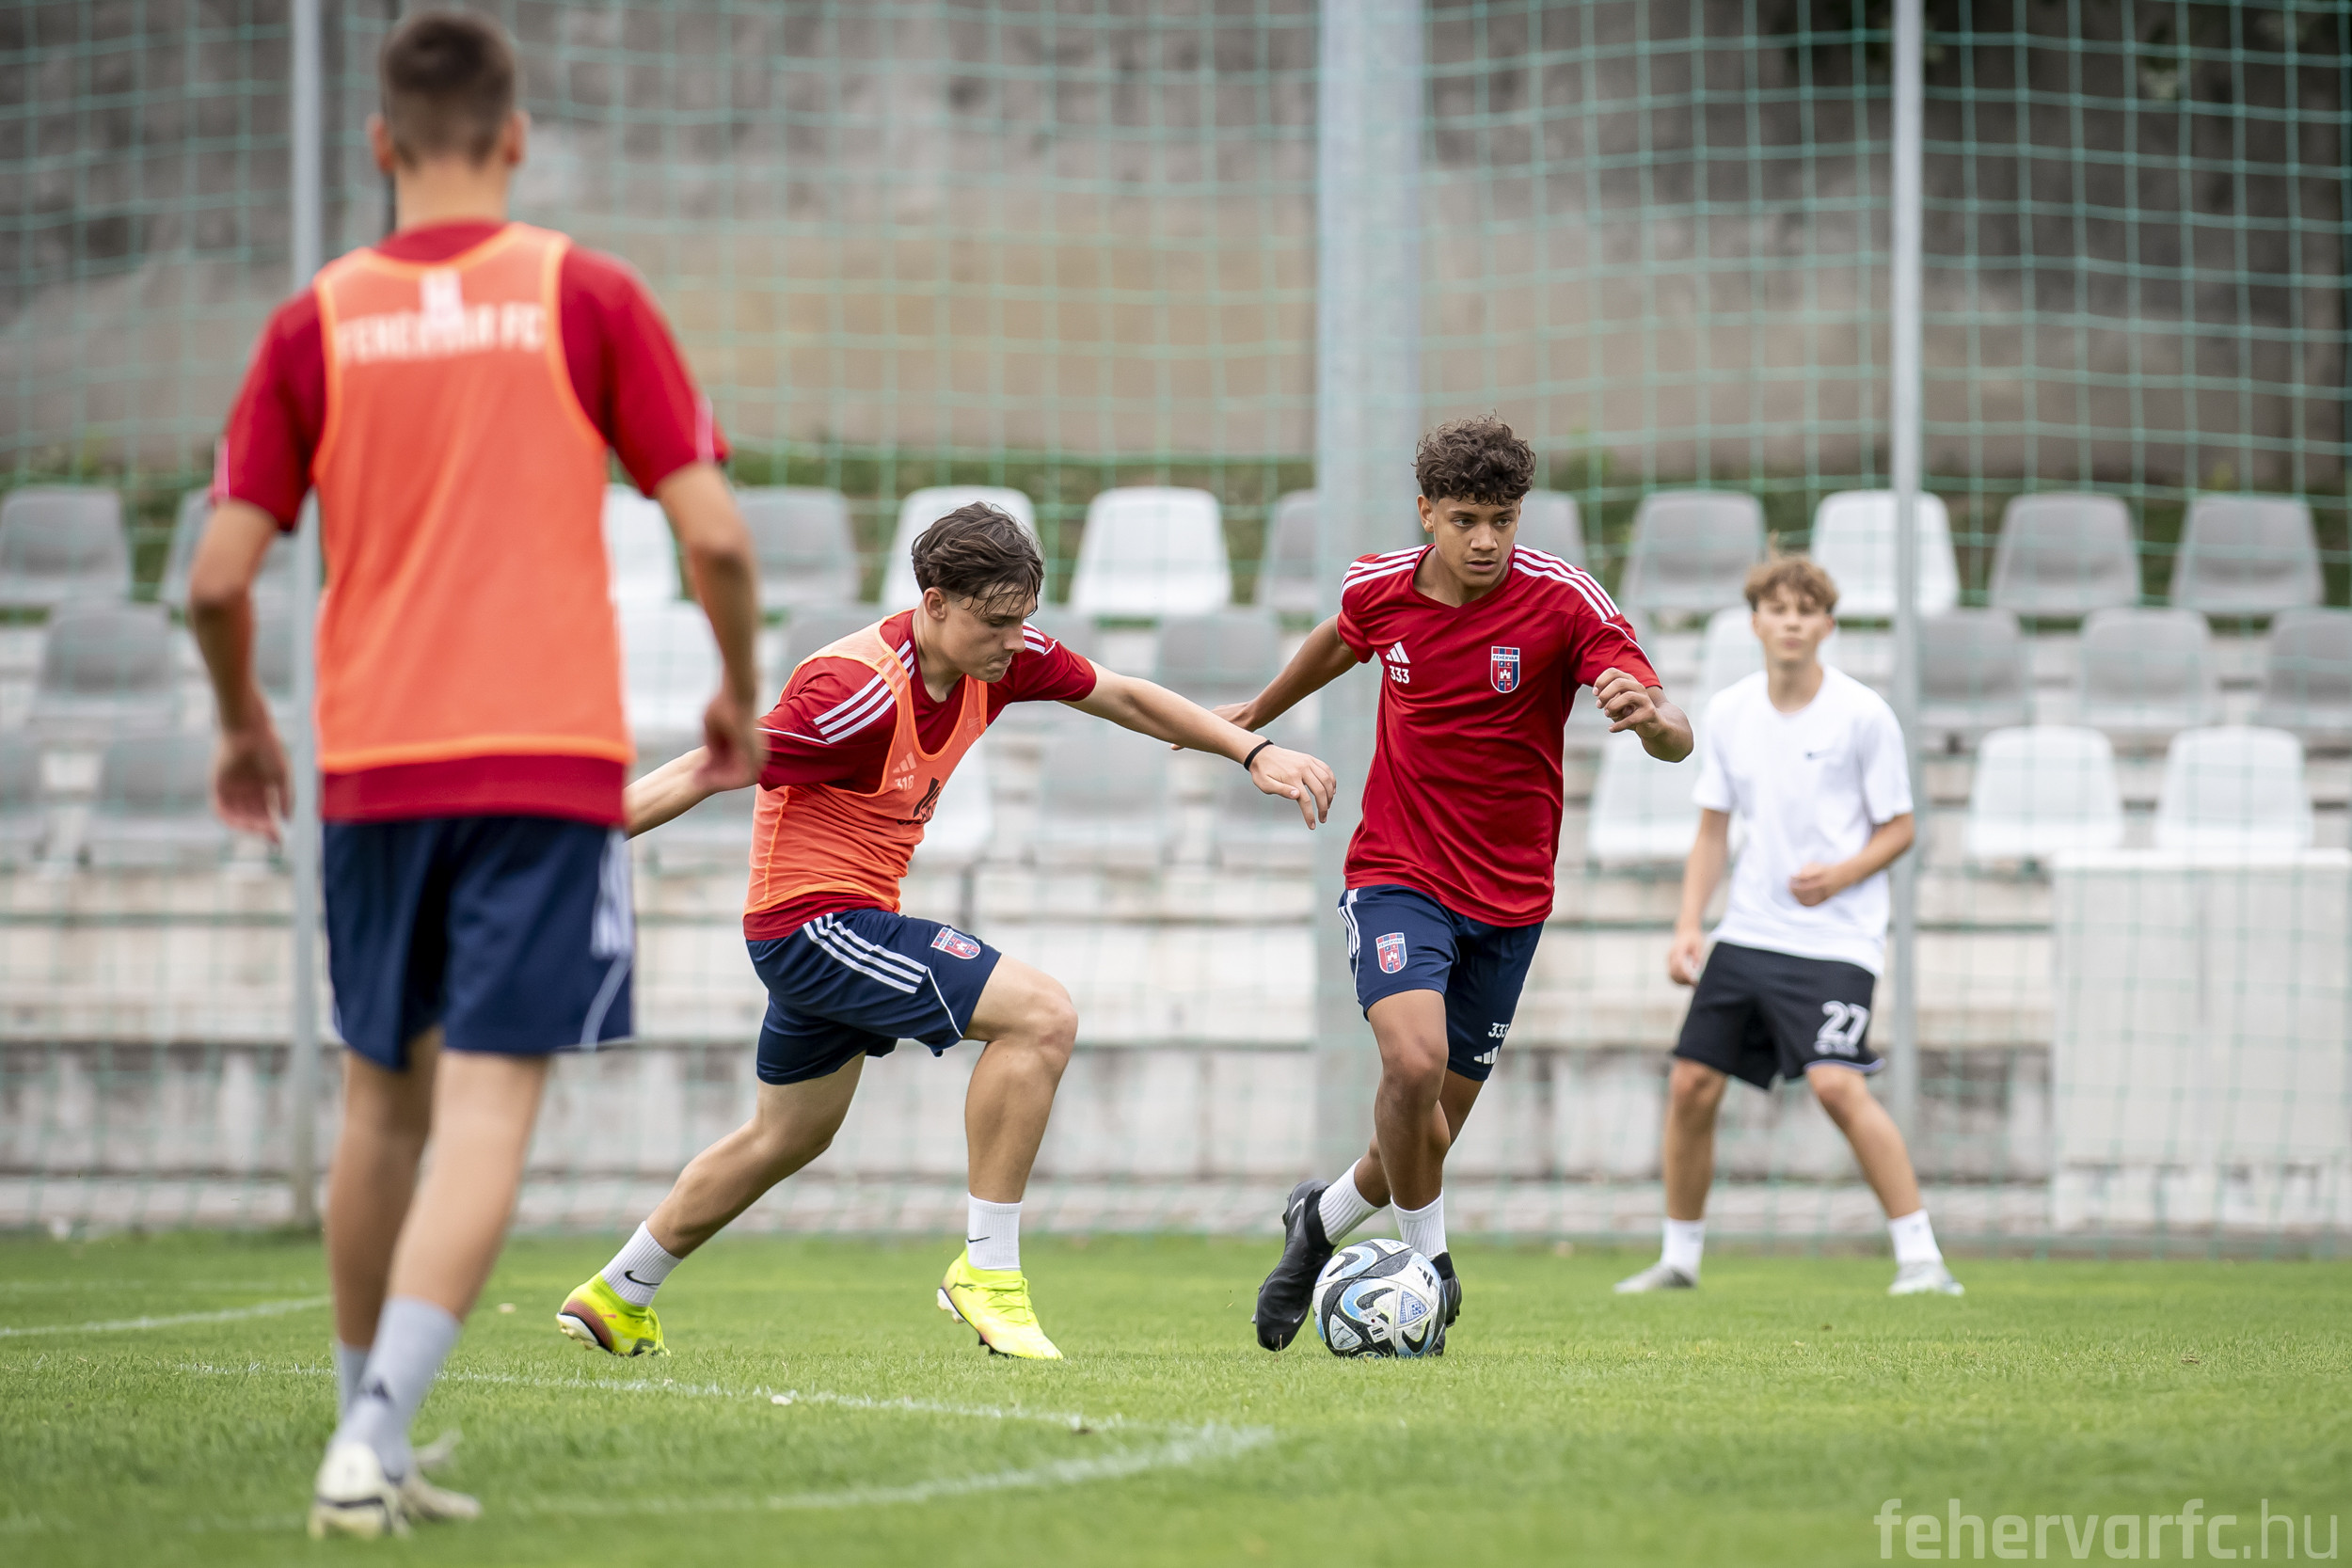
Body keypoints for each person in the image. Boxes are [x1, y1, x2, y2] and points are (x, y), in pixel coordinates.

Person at [189, 10, 764, 1537]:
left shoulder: (315, 321)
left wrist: (243, 722)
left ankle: (362, 1431)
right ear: (514, 138)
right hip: (539, 764)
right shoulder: (584, 293)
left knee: (381, 1103)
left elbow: (216, 576)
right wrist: (733, 689)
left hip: (375, 760)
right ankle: (371, 1439)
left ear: (380, 143)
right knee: (492, 1101)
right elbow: (714, 533)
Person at [555, 503, 1338, 1364]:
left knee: (787, 1135)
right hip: (813, 924)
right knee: (1042, 1015)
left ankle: (618, 1291)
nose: (1014, 642)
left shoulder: (1000, 657)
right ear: (934, 603)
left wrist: (1251, 750)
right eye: (996, 622)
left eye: (1023, 620)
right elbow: (705, 767)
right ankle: (988, 1272)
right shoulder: (850, 696)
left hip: (849, 921)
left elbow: (1119, 693)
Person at [1233, 416, 1694, 1353]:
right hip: (1396, 873)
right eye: (1465, 519)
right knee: (1410, 1067)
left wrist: (1650, 719)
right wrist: (1255, 715)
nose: (1485, 540)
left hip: (1510, 901)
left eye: (1502, 519)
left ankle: (1316, 1222)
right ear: (1427, 513)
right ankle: (1430, 1267)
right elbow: (1341, 638)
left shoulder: (1563, 600)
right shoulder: (1379, 586)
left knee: (1421, 1132)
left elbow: (1675, 732)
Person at [1613, 556, 1963, 1297]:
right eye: (1778, 609)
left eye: (1807, 610)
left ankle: (1922, 1258)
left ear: (1828, 625)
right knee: (1691, 1083)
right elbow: (1713, 831)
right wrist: (1689, 923)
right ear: (1756, 623)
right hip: (1749, 932)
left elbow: (1902, 828)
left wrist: (1840, 874)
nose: (1792, 622)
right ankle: (1679, 1258)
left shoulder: (1864, 714)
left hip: (1837, 941)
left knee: (1837, 1084)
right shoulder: (1730, 711)